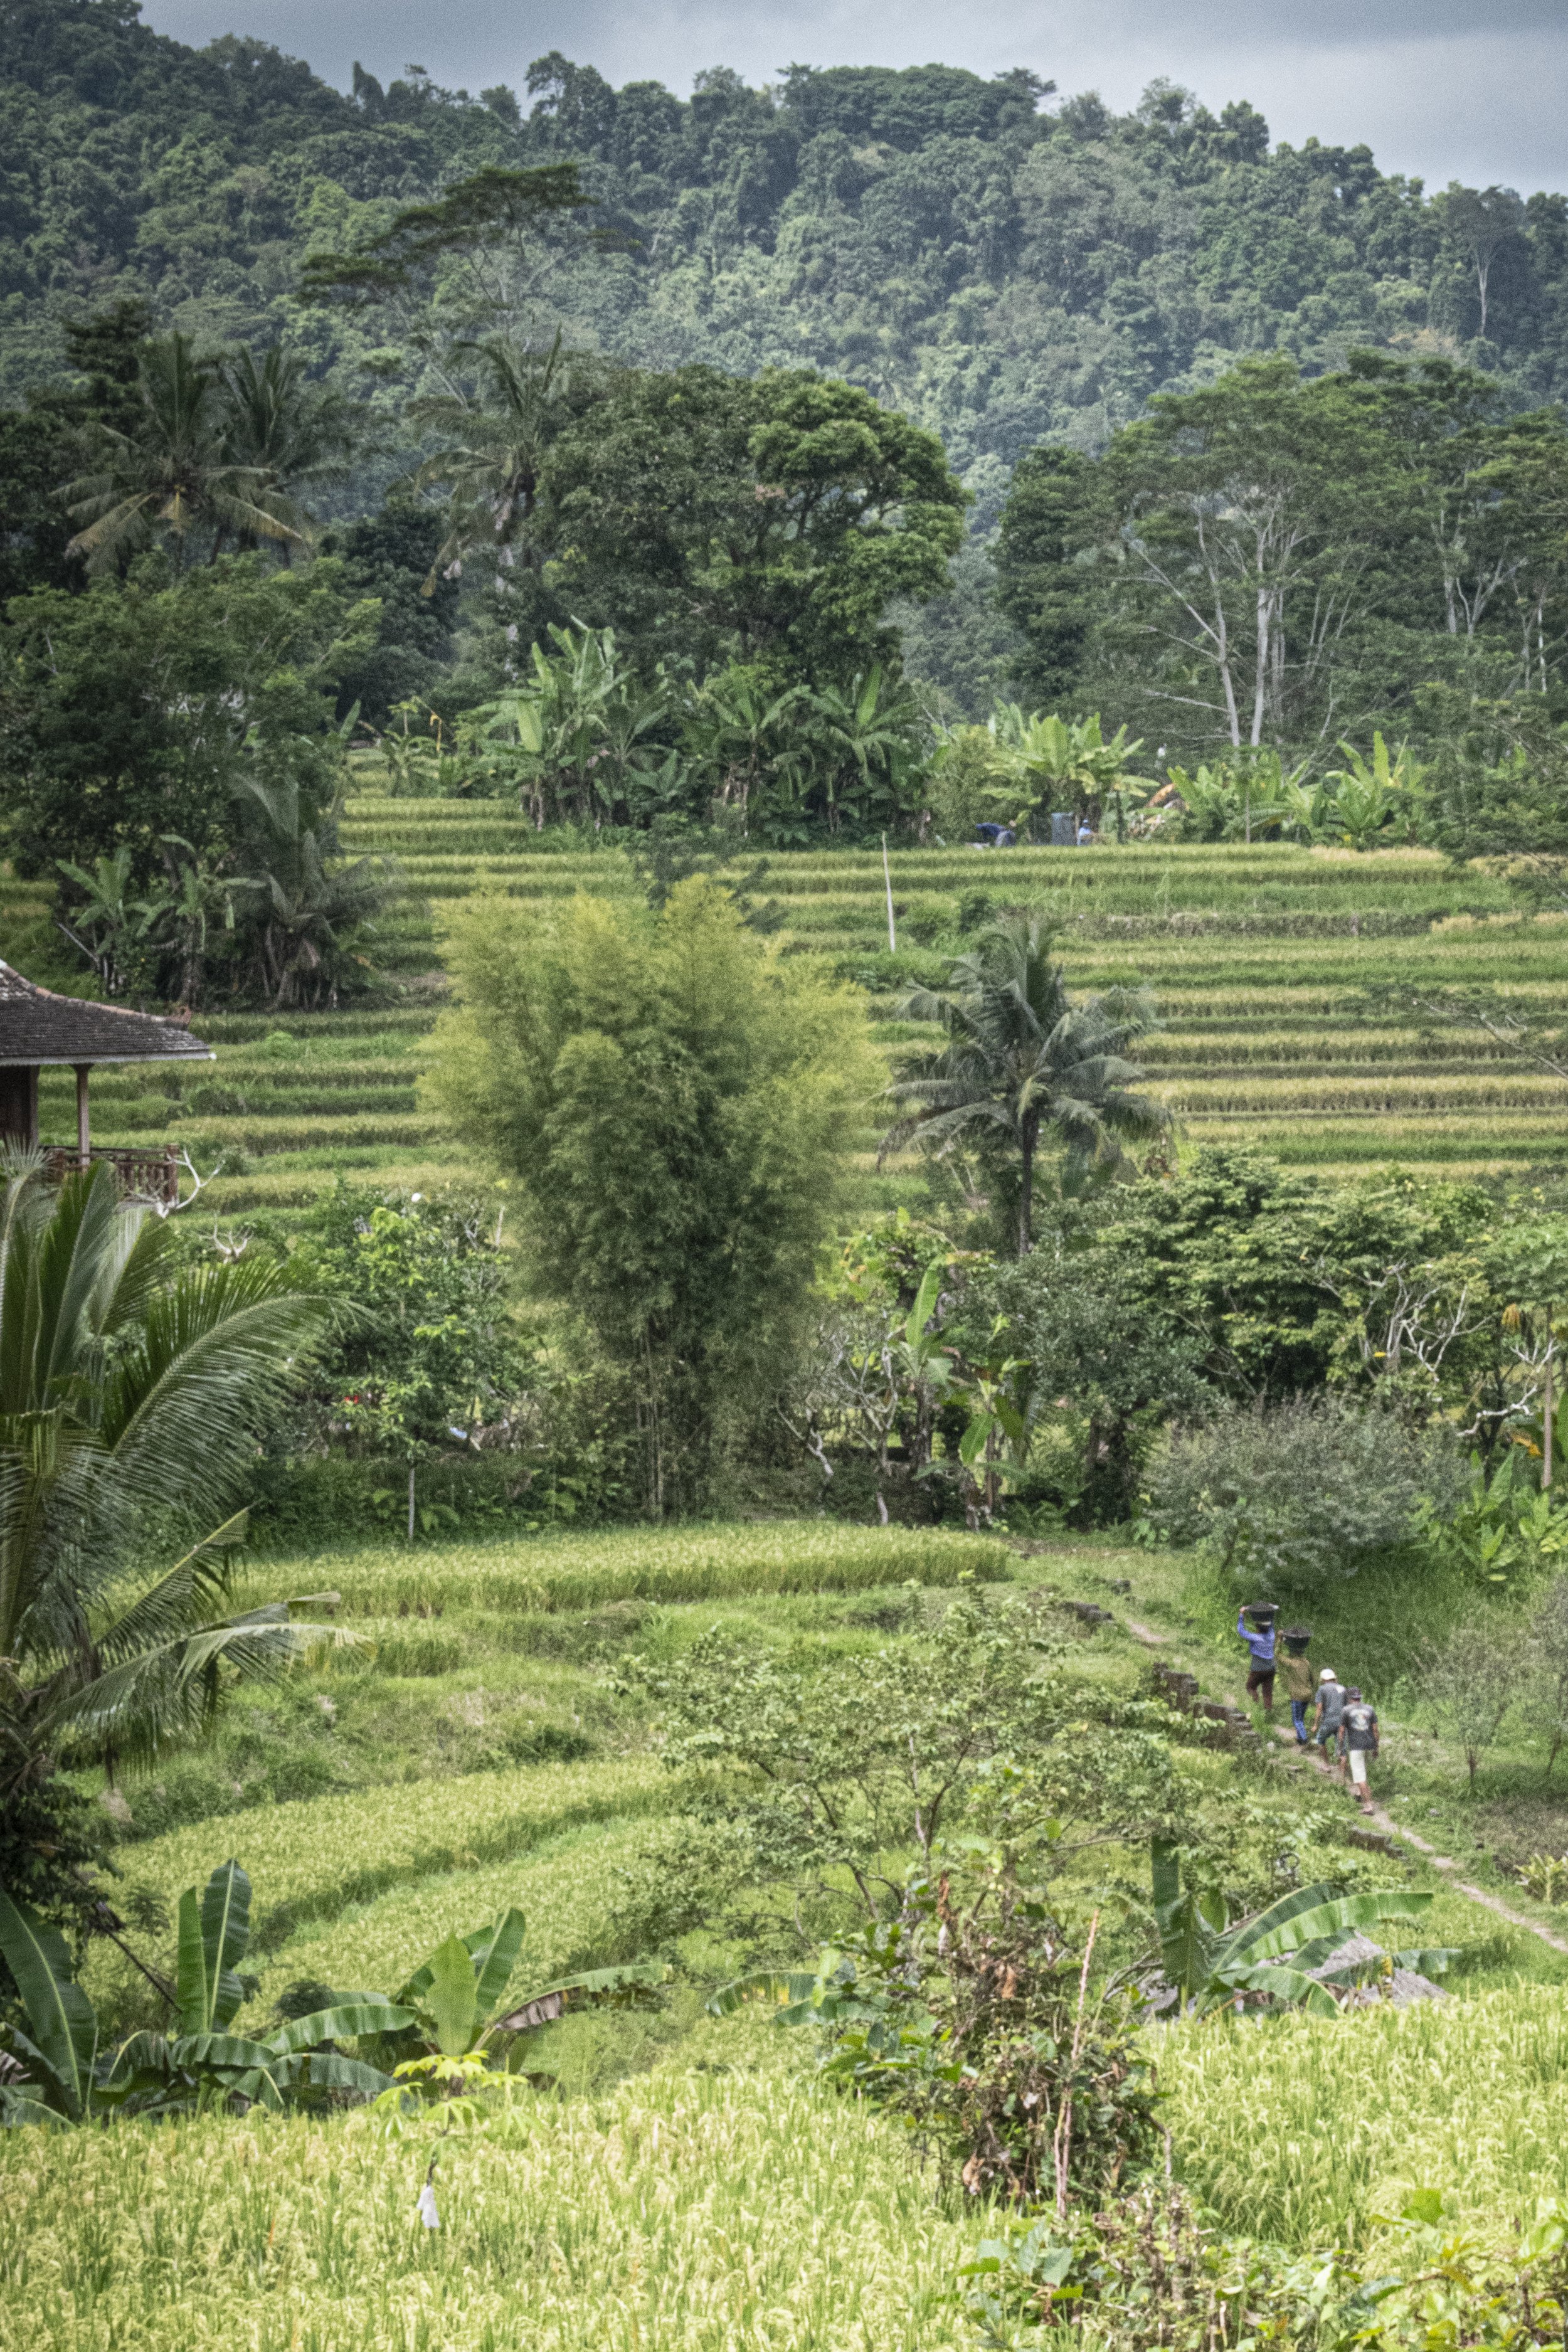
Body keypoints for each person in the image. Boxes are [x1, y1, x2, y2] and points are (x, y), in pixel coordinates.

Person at [1339, 1688, 1380, 1813]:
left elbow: (1341, 1731)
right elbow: (1375, 1730)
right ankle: (1360, 1793)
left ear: (1349, 1698)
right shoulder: (1370, 1709)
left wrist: (1341, 1748)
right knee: (1362, 1772)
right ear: (1360, 1697)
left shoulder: (1346, 1710)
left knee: (1360, 1776)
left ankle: (1368, 1806)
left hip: (1356, 1746)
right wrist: (1376, 1747)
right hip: (1369, 1745)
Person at [1236, 1605, 1276, 1715]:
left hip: (1258, 1669)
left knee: (1250, 1686)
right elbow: (1271, 1624)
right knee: (1267, 1691)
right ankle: (1268, 1712)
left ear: (1258, 1628)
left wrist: (1242, 1615)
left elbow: (1241, 1631)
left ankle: (1256, 1702)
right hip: (1271, 1668)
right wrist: (1270, 1612)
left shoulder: (1255, 1638)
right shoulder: (1271, 1636)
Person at [1278, 1627, 1315, 1745]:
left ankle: (1304, 1740)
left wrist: (1279, 1640)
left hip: (1297, 1696)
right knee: (1301, 1719)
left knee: (1297, 1721)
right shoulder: (1306, 1662)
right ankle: (1300, 1739)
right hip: (1308, 1695)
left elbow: (1277, 1655)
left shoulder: (1291, 1663)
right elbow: (1313, 1680)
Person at [1313, 1668, 1347, 1767]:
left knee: (1320, 1740)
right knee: (1342, 1749)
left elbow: (1319, 1707)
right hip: (1342, 1722)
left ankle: (1326, 1765)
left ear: (1323, 1679)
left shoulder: (1322, 1689)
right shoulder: (1343, 1689)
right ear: (1334, 1678)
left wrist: (1315, 1724)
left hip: (1328, 1721)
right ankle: (1342, 1778)